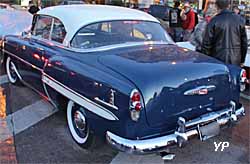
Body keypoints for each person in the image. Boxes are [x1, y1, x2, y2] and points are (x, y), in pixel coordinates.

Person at [201, 0, 248, 66]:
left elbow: (206, 44)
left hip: (217, 58)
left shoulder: (214, 20)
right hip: (235, 58)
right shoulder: (239, 20)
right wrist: (242, 60)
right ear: (229, 6)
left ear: (216, 6)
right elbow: (244, 43)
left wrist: (206, 60)